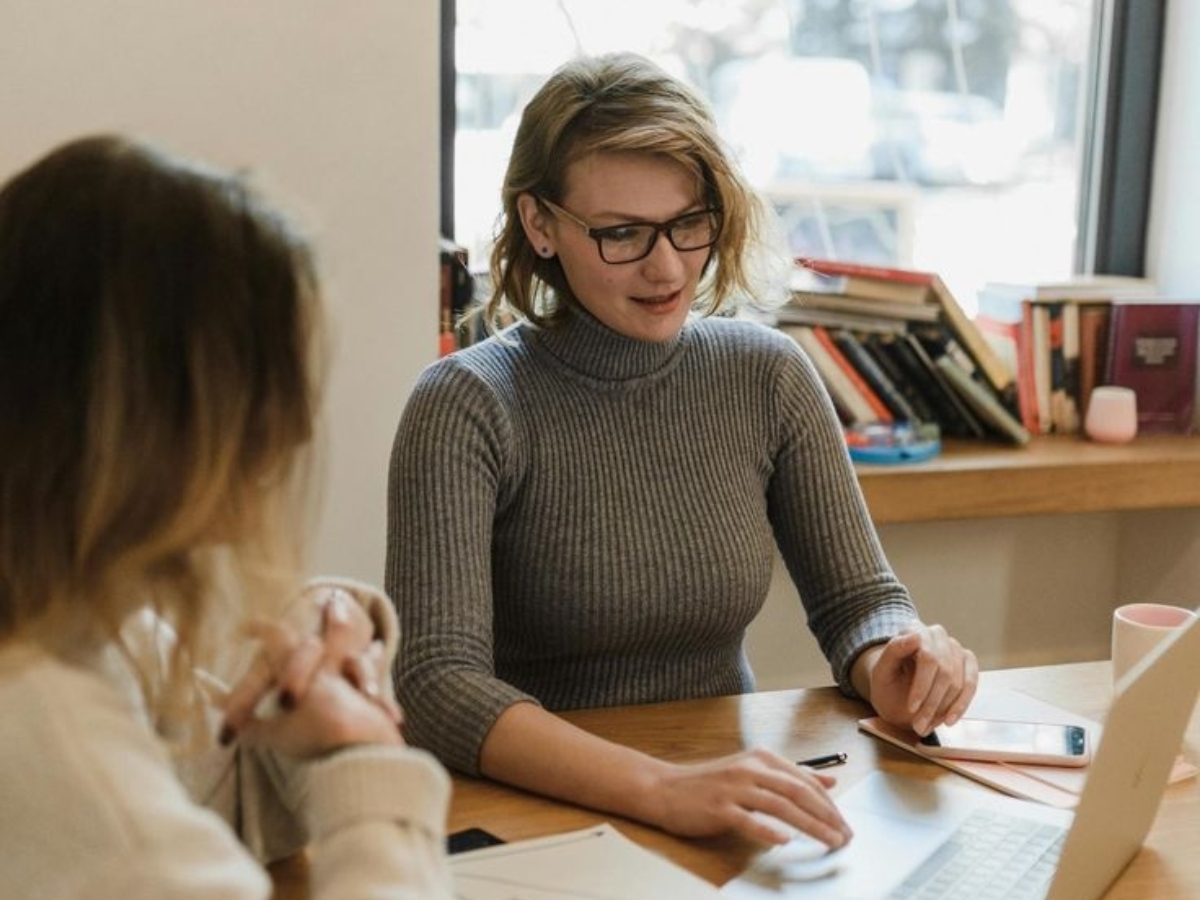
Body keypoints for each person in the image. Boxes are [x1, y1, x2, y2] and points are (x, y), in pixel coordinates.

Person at [387, 52, 978, 851]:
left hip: (726, 794)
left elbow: (857, 603)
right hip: (542, 818)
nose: (667, 268)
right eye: (621, 234)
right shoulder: (467, 404)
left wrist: (892, 665)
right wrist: (662, 790)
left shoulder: (765, 374)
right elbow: (437, 688)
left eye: (688, 223)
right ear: (540, 226)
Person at [0, 135, 453, 899]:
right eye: (267, 387)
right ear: (161, 420)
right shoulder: (68, 765)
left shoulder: (72, 622)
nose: (297, 432)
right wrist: (366, 758)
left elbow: (217, 765)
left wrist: (321, 647)